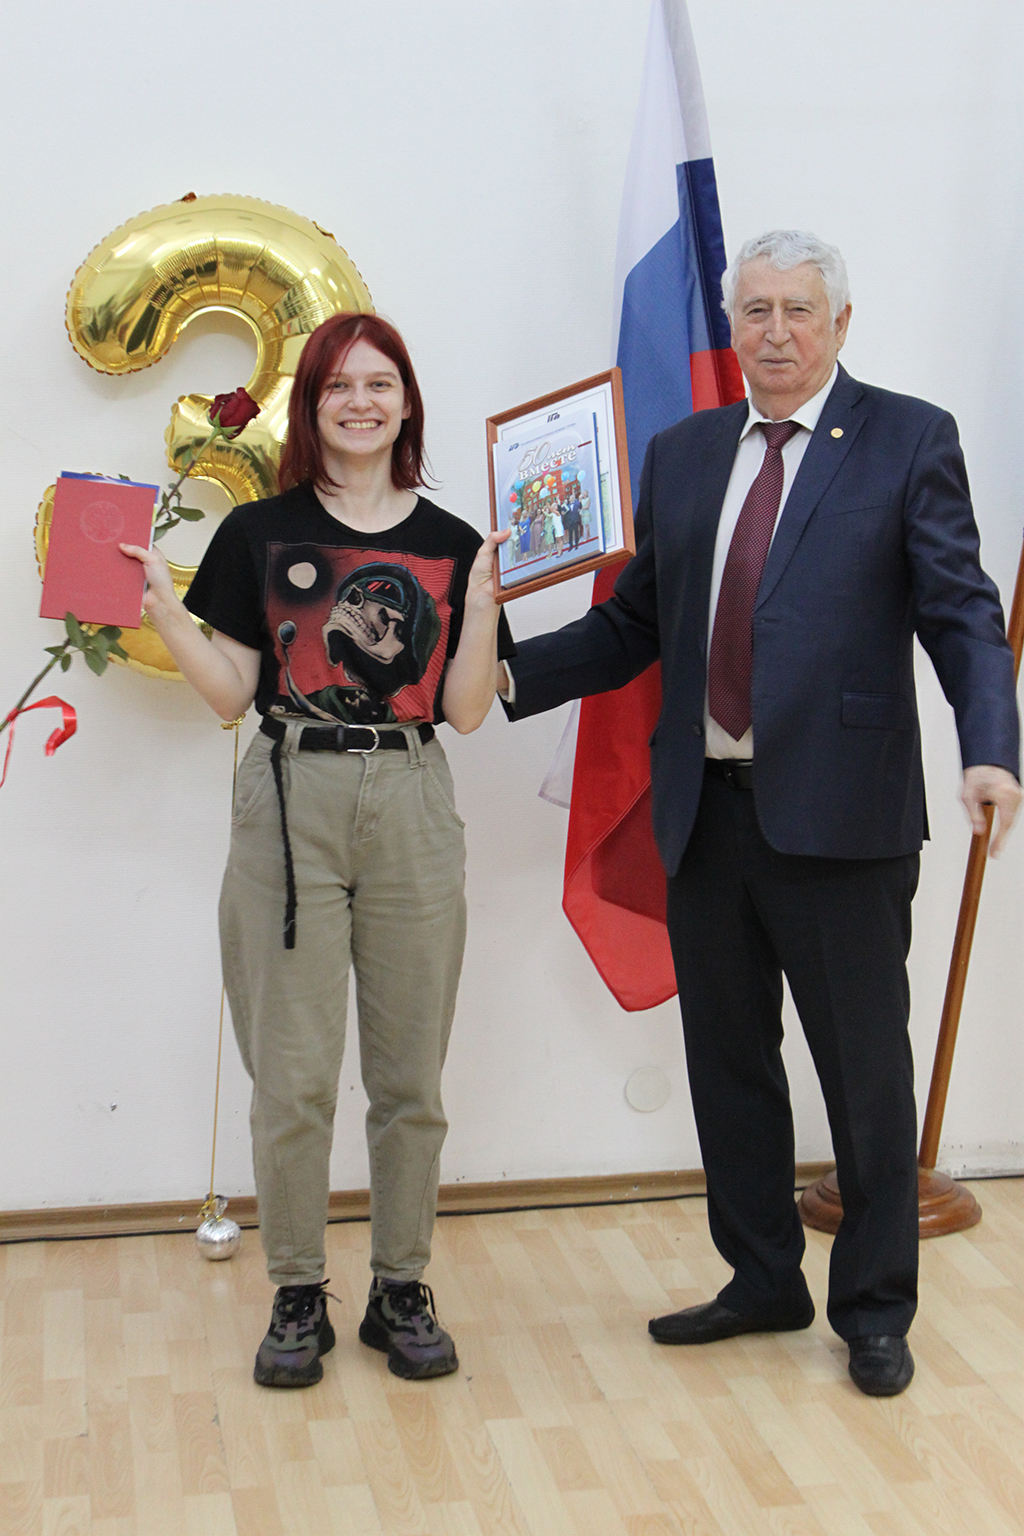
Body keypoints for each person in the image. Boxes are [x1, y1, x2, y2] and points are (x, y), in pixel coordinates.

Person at [497, 231, 1021, 1397]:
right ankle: (761, 1278)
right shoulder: (684, 453)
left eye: (797, 309)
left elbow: (960, 611)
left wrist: (991, 746)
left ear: (840, 323)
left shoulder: (907, 438)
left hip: (842, 822)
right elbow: (636, 624)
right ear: (730, 325)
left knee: (865, 1080)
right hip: (707, 817)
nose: (774, 331)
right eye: (755, 310)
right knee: (730, 1067)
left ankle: (873, 1308)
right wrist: (505, 670)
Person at [123, 312, 512, 1389]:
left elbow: (466, 711)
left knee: (410, 1075)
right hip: (289, 794)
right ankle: (297, 1290)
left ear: (406, 402)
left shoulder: (453, 544)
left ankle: (401, 1287)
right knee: (290, 1075)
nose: (360, 402)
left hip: (412, 795)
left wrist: (483, 608)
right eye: (339, 385)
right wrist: (166, 613)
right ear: (312, 405)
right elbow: (231, 696)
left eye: (379, 383)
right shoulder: (259, 532)